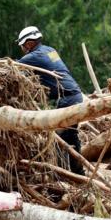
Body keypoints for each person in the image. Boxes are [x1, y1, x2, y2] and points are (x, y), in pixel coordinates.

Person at [16, 26, 85, 175]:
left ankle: (65, 175)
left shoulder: (33, 57)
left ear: (28, 43)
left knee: (59, 140)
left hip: (68, 99)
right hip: (74, 96)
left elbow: (12, 68)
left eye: (22, 45)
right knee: (70, 136)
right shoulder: (50, 50)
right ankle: (78, 173)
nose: (22, 48)